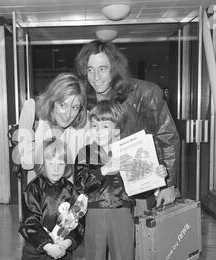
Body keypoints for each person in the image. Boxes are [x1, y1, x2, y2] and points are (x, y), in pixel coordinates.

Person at [75, 100, 167, 260]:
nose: (99, 131)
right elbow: (80, 185)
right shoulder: (86, 152)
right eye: (95, 126)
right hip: (94, 214)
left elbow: (141, 191)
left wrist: (157, 175)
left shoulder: (129, 151)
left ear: (116, 128)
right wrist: (105, 170)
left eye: (105, 126)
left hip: (123, 212)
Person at [75, 40, 180, 208]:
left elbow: (167, 136)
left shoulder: (144, 93)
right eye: (90, 70)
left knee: (141, 232)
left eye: (102, 69)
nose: (96, 77)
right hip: (100, 194)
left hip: (138, 188)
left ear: (114, 68)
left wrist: (168, 183)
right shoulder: (85, 99)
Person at [13, 138, 85, 260]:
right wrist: (46, 245)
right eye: (50, 163)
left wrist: (67, 243)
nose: (56, 168)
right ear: (42, 164)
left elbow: (79, 223)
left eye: (60, 164)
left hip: (62, 247)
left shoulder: (71, 191)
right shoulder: (33, 189)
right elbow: (29, 222)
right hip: (36, 248)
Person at [15, 72, 89, 179]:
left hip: (72, 192)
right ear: (52, 101)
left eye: (75, 108)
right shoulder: (32, 110)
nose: (68, 115)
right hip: (39, 191)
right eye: (63, 105)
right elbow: (27, 163)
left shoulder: (85, 121)